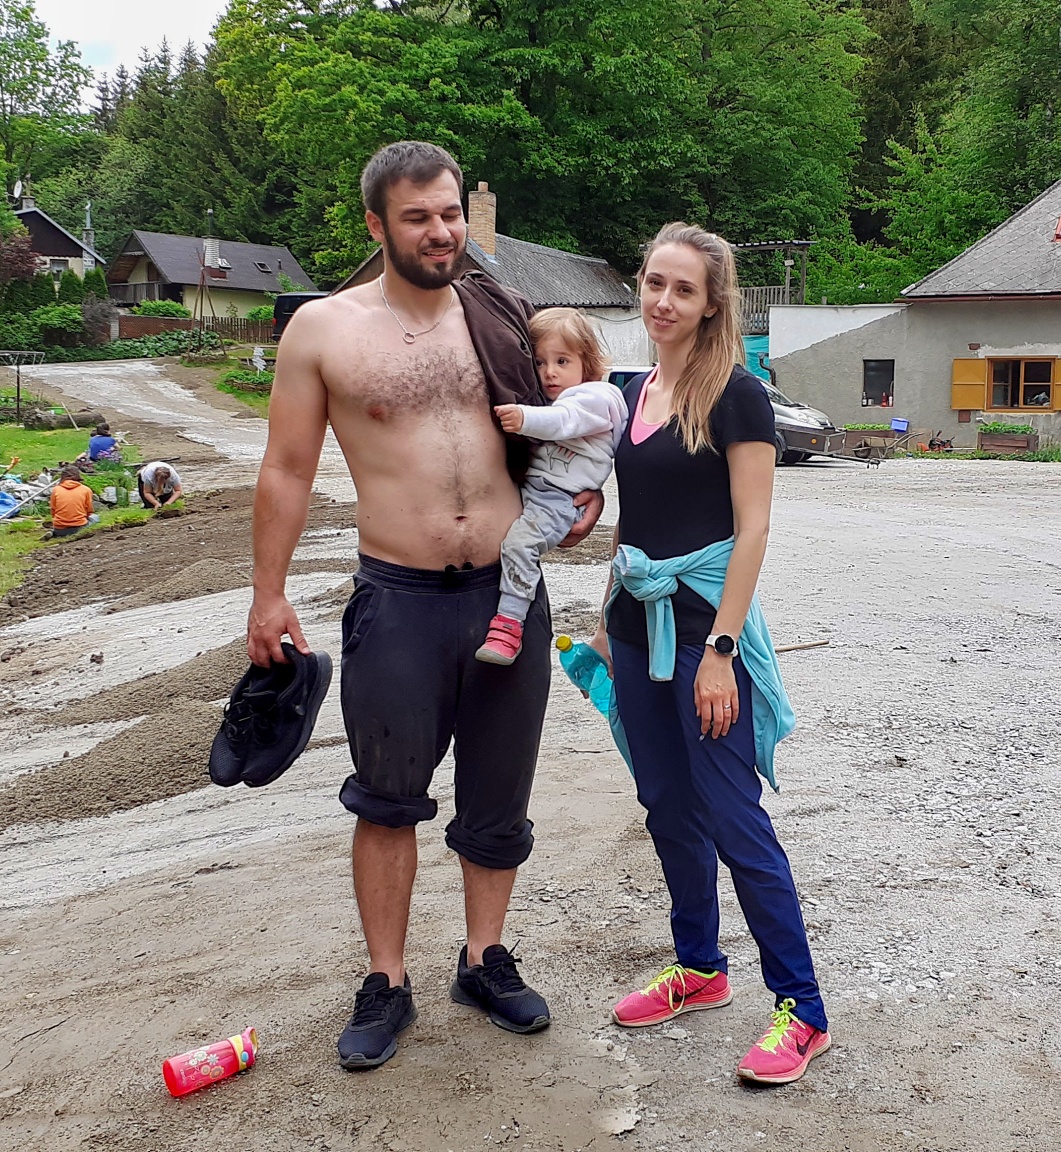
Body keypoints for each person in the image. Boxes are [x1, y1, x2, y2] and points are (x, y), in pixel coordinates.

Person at [243, 140, 602, 1072]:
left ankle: (483, 960)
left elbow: (572, 419)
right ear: (377, 223)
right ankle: (386, 980)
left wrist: (586, 495)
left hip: (506, 593)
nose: (441, 232)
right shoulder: (323, 330)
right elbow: (285, 469)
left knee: (499, 793)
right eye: (418, 218)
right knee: (386, 798)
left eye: (449, 214)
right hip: (399, 600)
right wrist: (268, 593)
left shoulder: (502, 314)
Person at [590, 222, 827, 1086]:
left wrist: (723, 649)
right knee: (664, 804)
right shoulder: (631, 391)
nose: (663, 300)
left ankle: (803, 1009)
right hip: (633, 627)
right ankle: (700, 967)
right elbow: (634, 518)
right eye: (655, 282)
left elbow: (752, 528)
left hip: (703, 635)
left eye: (683, 289)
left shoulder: (738, 395)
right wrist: (605, 610)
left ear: (712, 304)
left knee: (732, 816)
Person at [477, 308, 628, 665]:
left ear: (587, 363)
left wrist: (523, 417)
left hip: (559, 499)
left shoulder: (595, 397)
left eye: (562, 361)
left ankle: (509, 625)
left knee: (520, 545)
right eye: (540, 362)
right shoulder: (557, 399)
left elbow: (564, 421)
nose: (549, 372)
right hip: (539, 492)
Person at [48, 465, 94, 537]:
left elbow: (53, 510)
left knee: (59, 525)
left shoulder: (56, 489)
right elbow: (89, 511)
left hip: (59, 529)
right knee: (95, 518)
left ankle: (54, 532)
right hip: (79, 527)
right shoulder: (86, 490)